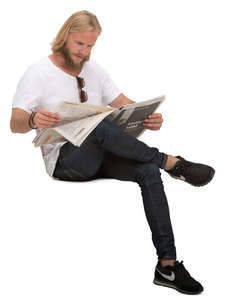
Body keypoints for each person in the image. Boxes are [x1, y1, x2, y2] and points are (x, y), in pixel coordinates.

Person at [10, 10, 215, 295]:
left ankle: (167, 266)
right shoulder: (37, 72)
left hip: (101, 156)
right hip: (66, 161)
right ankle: (171, 162)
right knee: (97, 125)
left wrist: (147, 117)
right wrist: (32, 120)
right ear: (64, 36)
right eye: (79, 44)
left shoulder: (95, 71)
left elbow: (123, 104)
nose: (84, 52)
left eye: (90, 46)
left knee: (147, 170)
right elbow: (14, 123)